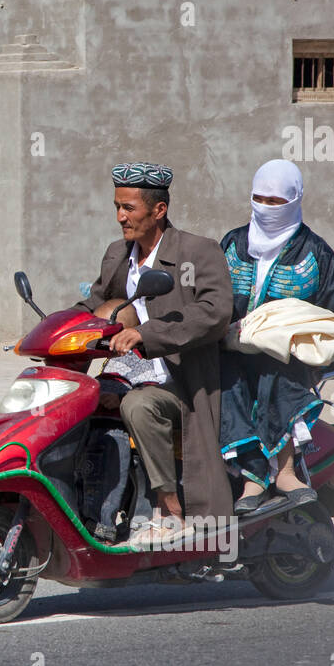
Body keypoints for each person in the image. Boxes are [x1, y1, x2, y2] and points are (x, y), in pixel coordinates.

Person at [72, 163, 234, 546]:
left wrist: (146, 335)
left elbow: (213, 313)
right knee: (77, 403)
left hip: (182, 382)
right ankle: (98, 511)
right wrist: (54, 330)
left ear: (158, 210)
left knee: (140, 407)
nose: (120, 217)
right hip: (127, 371)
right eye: (117, 206)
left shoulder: (197, 251)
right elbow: (93, 304)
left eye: (128, 208)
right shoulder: (117, 254)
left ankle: (169, 509)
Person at [219, 159, 334, 514]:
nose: (266, 208)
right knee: (222, 374)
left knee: (275, 369)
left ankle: (284, 471)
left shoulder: (316, 252)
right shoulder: (232, 244)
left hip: (288, 359)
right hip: (232, 350)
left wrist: (322, 364)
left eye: (276, 201)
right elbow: (211, 300)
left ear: (295, 200)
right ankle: (250, 473)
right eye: (260, 199)